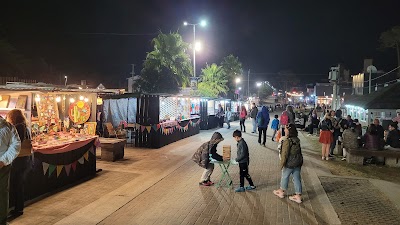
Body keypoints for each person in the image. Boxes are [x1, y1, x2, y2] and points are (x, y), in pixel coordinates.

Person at [7, 109, 31, 217]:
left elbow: (15, 143)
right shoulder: (25, 127)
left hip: (18, 160)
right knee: (19, 184)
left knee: (17, 185)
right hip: (25, 159)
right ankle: (18, 208)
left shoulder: (18, 128)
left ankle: (18, 209)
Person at [273, 124, 303, 203]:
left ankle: (281, 191)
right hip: (297, 162)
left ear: (289, 131)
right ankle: (298, 195)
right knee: (297, 178)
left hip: (289, 163)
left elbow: (284, 154)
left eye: (286, 129)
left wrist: (282, 164)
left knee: (285, 176)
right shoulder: (297, 139)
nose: (285, 130)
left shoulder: (287, 141)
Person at [0, 116, 21, 225]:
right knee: (2, 194)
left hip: (3, 167)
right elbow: (16, 145)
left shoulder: (8, 127)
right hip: (3, 165)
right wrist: (3, 161)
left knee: (2, 194)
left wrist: (3, 161)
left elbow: (16, 145)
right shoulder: (9, 127)